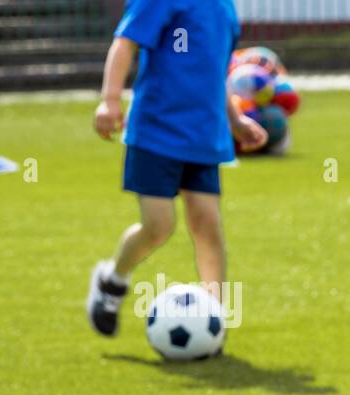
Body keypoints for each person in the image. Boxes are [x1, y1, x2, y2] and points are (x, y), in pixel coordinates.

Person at [86, 0, 266, 337]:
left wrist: (236, 120)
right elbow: (125, 42)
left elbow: (214, 71)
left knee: (208, 225)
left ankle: (214, 319)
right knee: (159, 226)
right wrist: (110, 100)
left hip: (205, 138)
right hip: (156, 133)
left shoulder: (224, 8)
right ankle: (112, 282)